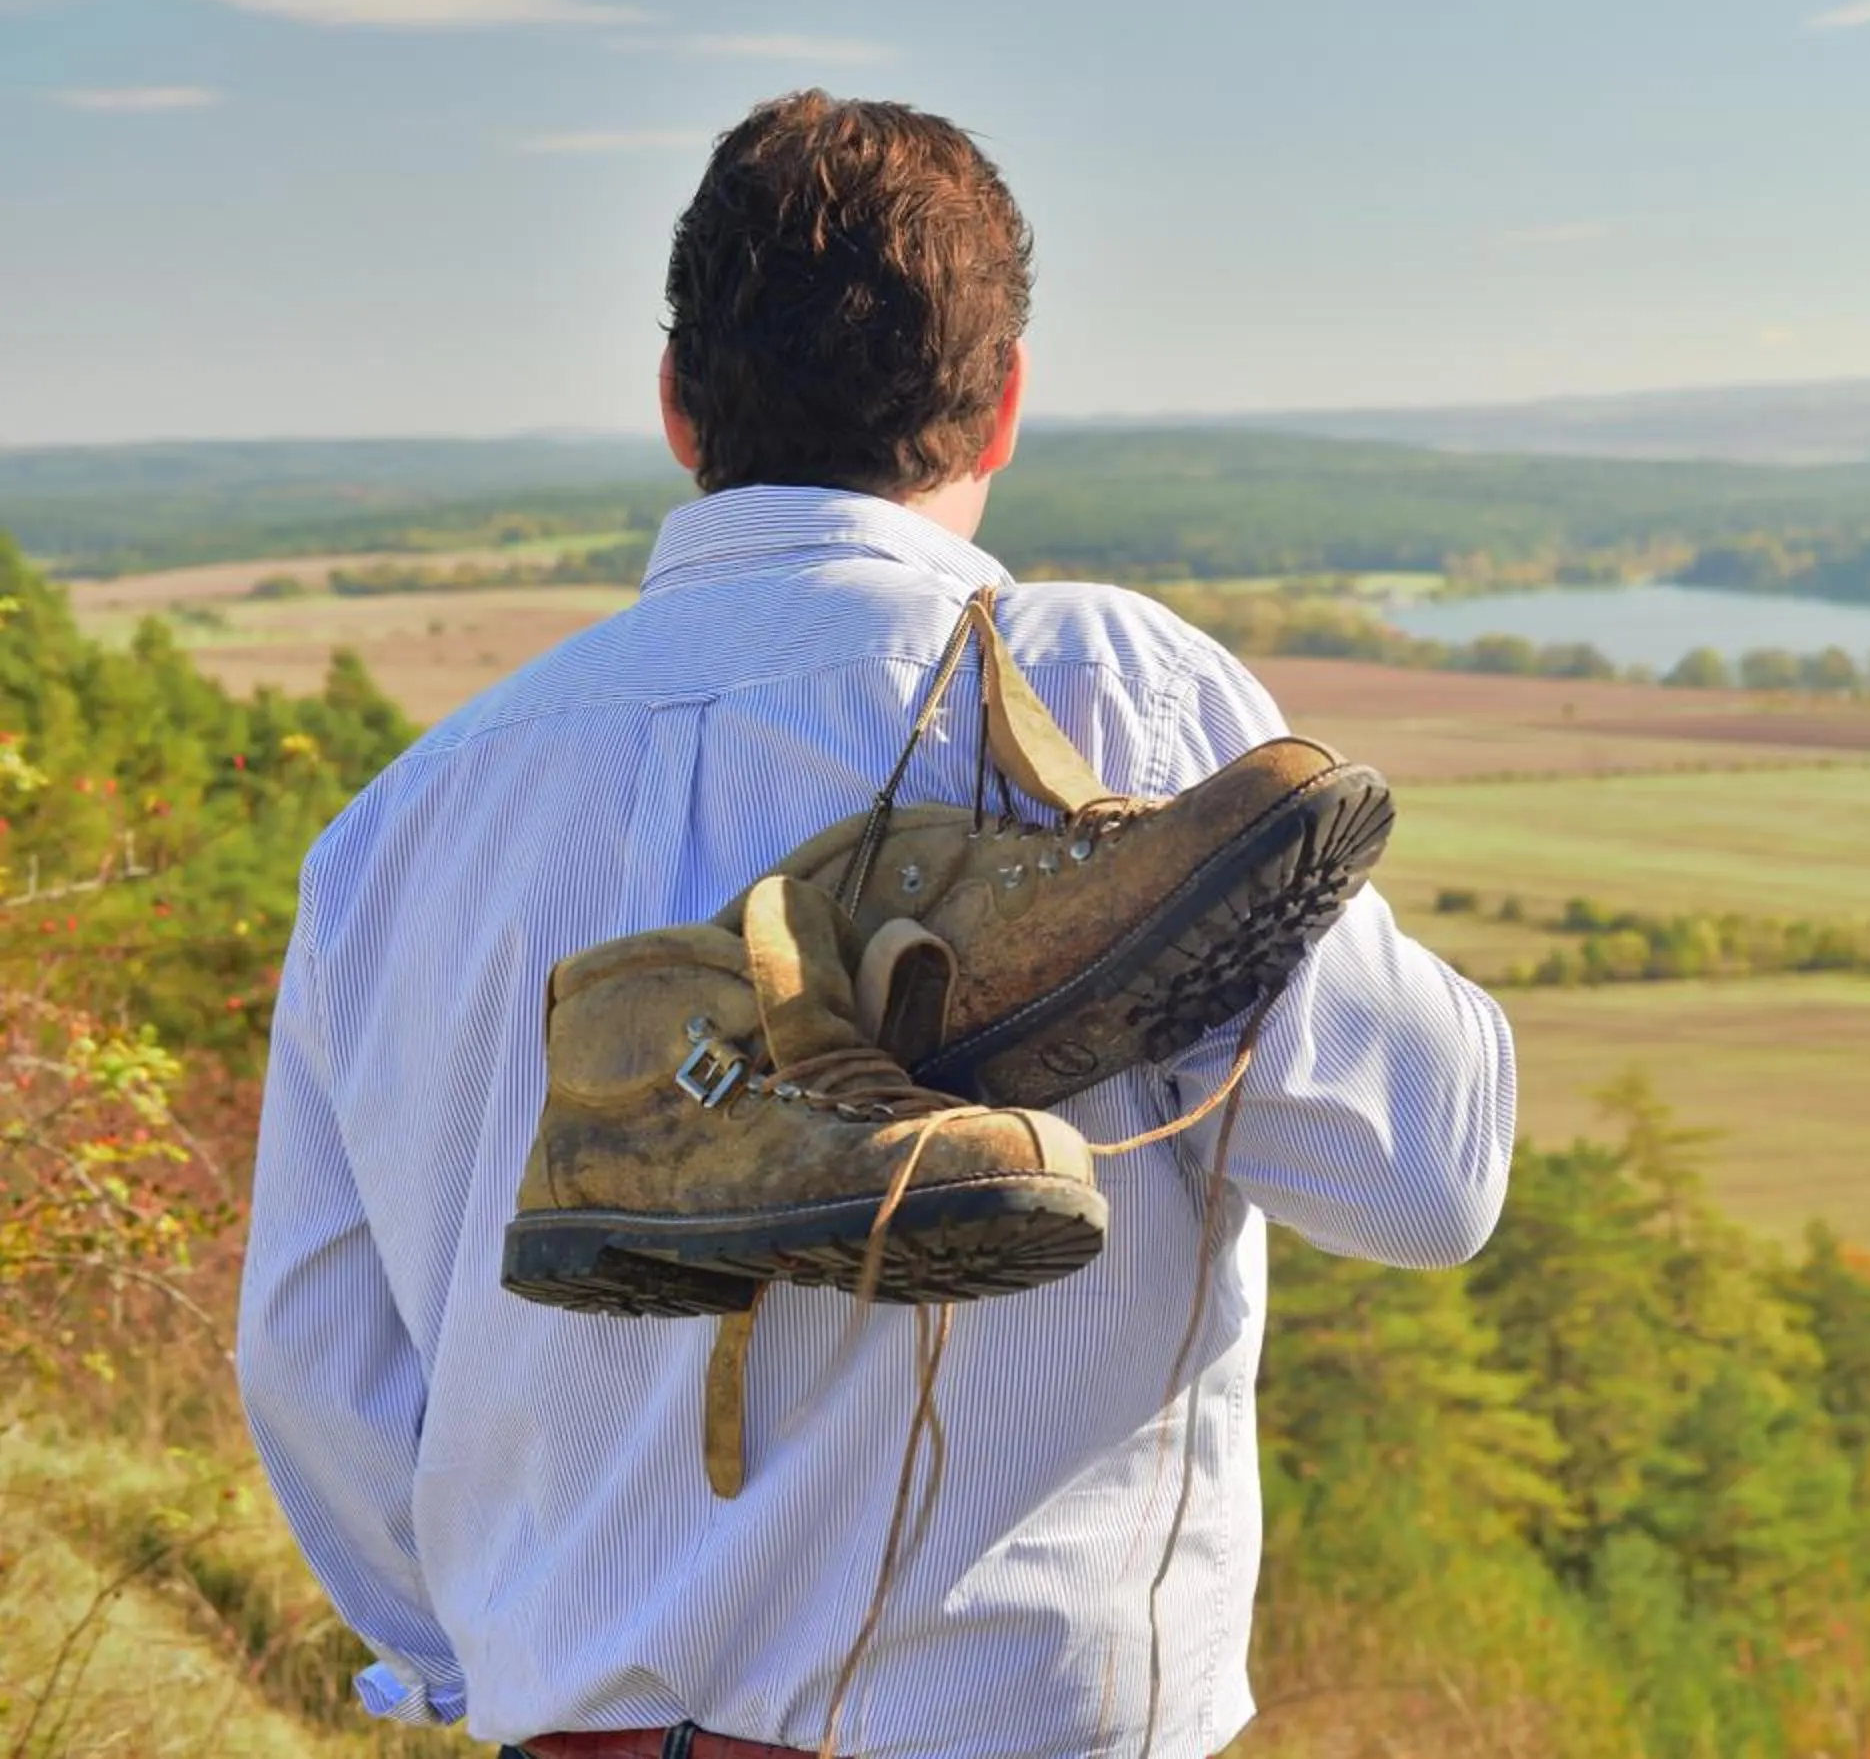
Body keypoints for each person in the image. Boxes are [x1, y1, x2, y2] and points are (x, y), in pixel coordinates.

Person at [235, 90, 1517, 1759]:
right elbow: (1428, 1176)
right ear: (1002, 405)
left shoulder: (400, 830)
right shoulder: (1102, 687)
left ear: (680, 403)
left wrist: (508, 1667)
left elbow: (321, 1371)